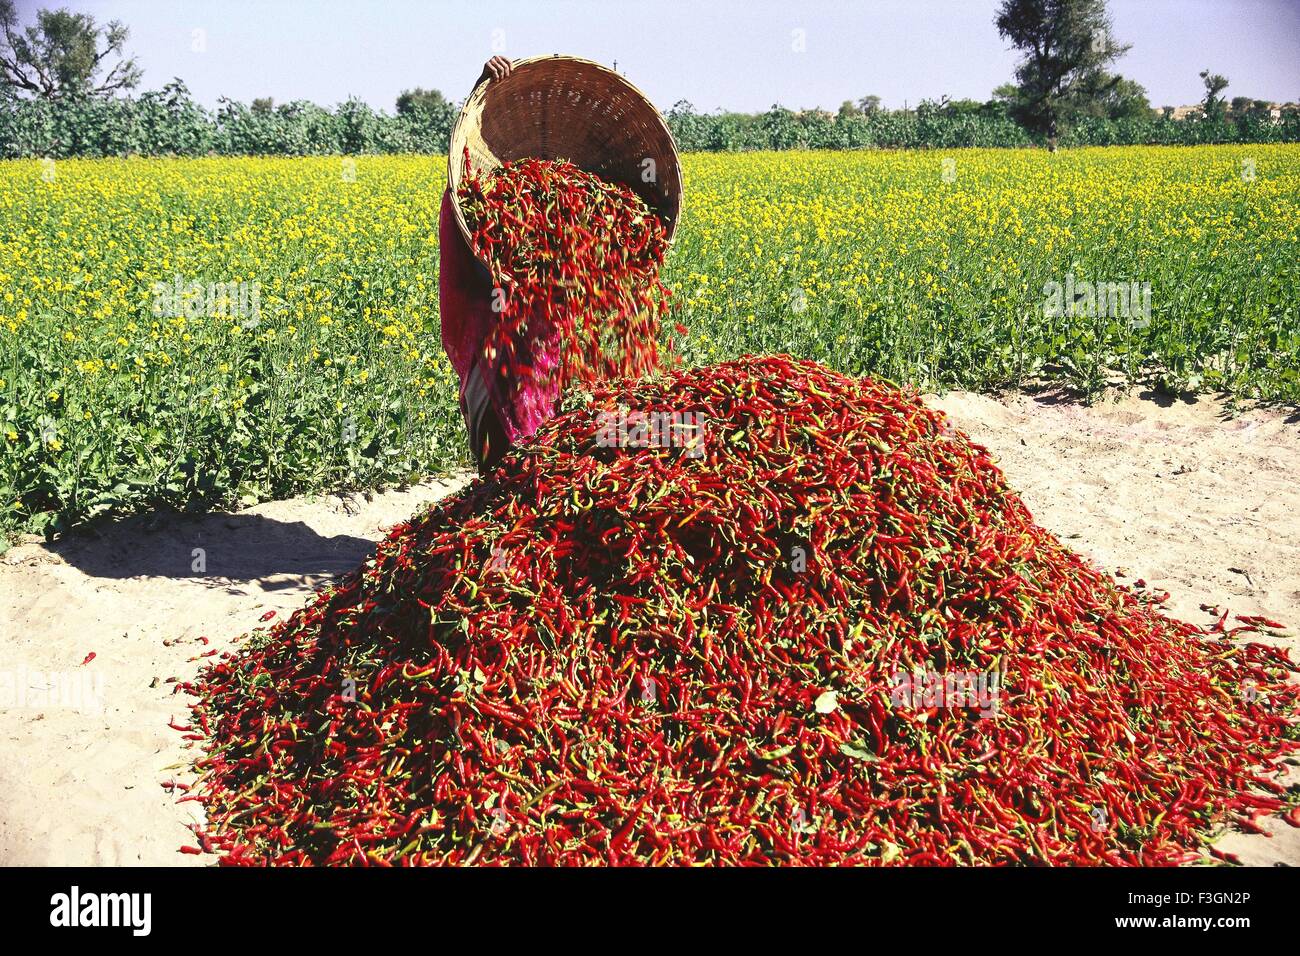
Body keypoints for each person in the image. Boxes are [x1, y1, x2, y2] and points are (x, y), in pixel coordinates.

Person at [439, 55, 563, 474]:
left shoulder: (552, 187)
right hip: (491, 325)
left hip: (543, 329)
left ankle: (526, 497)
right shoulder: (477, 191)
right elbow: (472, 263)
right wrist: (482, 81)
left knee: (549, 428)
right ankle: (500, 494)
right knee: (499, 429)